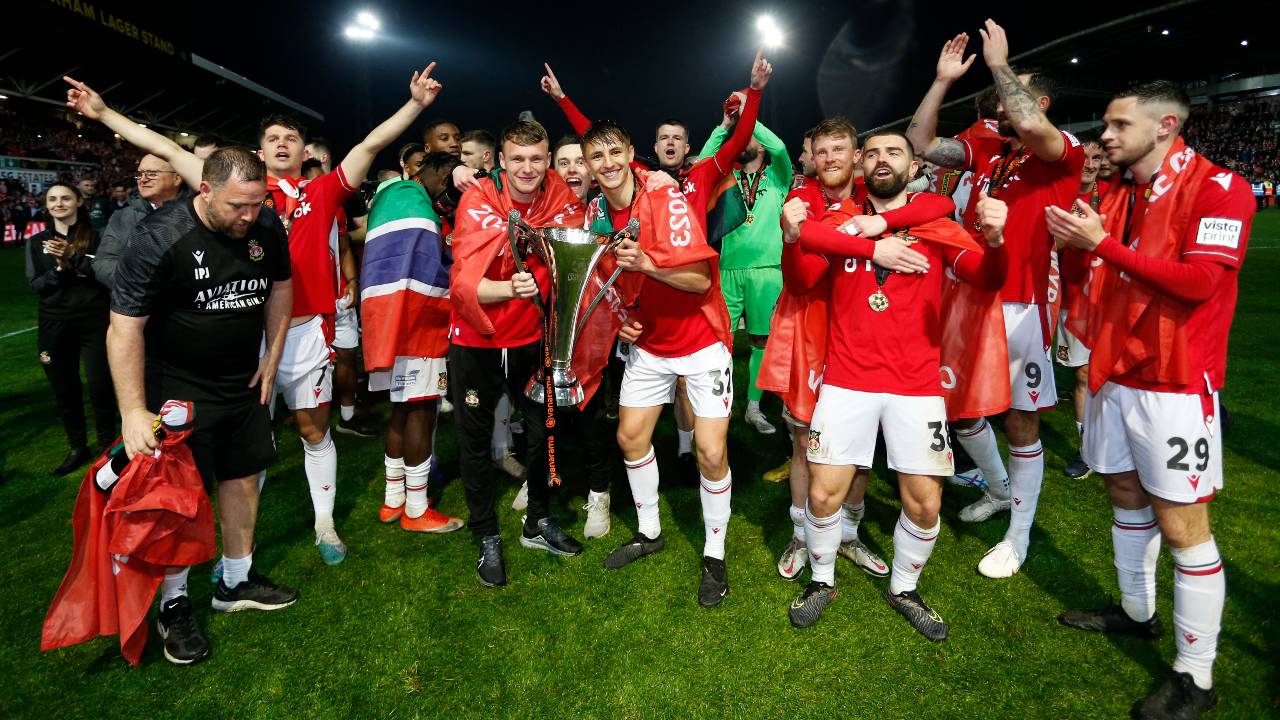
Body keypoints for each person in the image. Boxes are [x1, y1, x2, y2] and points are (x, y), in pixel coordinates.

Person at [1051, 80, 1252, 720]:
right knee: (1124, 495)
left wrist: (1101, 245)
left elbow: (1199, 283)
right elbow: (1098, 276)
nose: (1105, 135)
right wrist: (1075, 250)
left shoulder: (1221, 188)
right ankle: (1137, 612)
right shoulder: (1115, 194)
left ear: (1165, 125)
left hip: (1176, 383)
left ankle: (1196, 677)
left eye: (1117, 124)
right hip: (1115, 373)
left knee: (1184, 527)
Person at [782, 129, 1008, 638]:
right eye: (875, 152)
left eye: (896, 153)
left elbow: (987, 277)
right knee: (823, 496)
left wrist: (996, 244)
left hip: (917, 387)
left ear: (913, 166)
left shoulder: (936, 221)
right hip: (847, 381)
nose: (884, 160)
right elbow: (800, 280)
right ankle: (822, 581)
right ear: (862, 163)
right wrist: (793, 240)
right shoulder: (841, 220)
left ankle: (905, 588)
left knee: (925, 503)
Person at [905, 23, 1085, 578]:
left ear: (1041, 101)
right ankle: (1003, 491)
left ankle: (1020, 535)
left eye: (1012, 96)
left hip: (1021, 305)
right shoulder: (988, 148)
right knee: (959, 411)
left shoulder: (1063, 153)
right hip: (968, 296)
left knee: (1020, 424)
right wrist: (940, 82)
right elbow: (919, 144)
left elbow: (1029, 120)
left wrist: (1000, 63)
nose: (1002, 109)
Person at [543, 50, 771, 484]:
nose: (669, 144)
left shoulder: (699, 177)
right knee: (658, 397)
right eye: (662, 137)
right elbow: (598, 143)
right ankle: (682, 453)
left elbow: (739, 141)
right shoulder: (639, 178)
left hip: (694, 296)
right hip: (648, 309)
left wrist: (755, 93)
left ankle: (687, 452)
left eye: (677, 138)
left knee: (688, 390)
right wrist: (563, 100)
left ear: (687, 145)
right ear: (648, 148)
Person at [109, 147, 297, 666]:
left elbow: (282, 285)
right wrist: (130, 410)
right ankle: (174, 603)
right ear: (205, 191)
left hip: (242, 382)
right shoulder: (160, 237)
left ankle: (235, 582)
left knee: (242, 476)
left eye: (257, 204)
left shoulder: (266, 224)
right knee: (180, 500)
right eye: (238, 206)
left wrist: (273, 354)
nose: (249, 216)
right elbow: (124, 325)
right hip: (178, 388)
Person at [764, 118, 951, 582]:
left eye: (839, 150)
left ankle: (848, 532)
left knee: (859, 452)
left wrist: (882, 223)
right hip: (813, 328)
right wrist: (873, 248)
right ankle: (801, 533)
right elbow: (806, 249)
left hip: (863, 329)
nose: (829, 159)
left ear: (856, 158)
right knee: (805, 440)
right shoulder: (805, 196)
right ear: (810, 156)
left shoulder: (872, 195)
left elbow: (940, 202)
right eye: (820, 151)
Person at [579, 120, 734, 608]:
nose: (606, 165)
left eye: (613, 153)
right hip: (649, 346)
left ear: (629, 152)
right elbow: (601, 282)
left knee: (710, 452)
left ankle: (714, 552)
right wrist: (621, 318)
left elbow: (699, 282)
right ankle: (650, 532)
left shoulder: (664, 197)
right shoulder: (596, 212)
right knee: (630, 437)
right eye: (595, 157)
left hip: (700, 340)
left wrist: (648, 265)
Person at [450, 119, 586, 587]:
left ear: (548, 161)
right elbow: (463, 281)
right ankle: (487, 535)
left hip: (531, 338)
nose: (527, 168)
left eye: (536, 158)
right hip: (476, 340)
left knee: (542, 431)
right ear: (500, 162)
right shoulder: (479, 199)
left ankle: (538, 521)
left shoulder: (562, 202)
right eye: (518, 159)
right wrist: (508, 287)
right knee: (474, 440)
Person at [362, 159, 465, 534]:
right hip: (416, 324)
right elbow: (427, 268)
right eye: (447, 186)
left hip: (390, 323)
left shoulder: (390, 199)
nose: (447, 199)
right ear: (435, 175)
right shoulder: (413, 198)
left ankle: (393, 500)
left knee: (401, 412)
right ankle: (417, 508)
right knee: (422, 411)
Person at [699, 110, 792, 435]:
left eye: (749, 136)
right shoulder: (726, 177)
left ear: (761, 145)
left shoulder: (779, 176)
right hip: (727, 270)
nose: (744, 139)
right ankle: (715, 404)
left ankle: (753, 407)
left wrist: (749, 119)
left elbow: (780, 148)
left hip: (768, 271)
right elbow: (703, 161)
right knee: (715, 341)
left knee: (760, 341)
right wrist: (726, 125)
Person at [27, 182, 116, 476]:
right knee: (64, 389)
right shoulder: (36, 240)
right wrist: (59, 270)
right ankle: (77, 447)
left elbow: (106, 276)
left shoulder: (98, 237)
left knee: (100, 386)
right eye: (52, 199)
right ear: (47, 205)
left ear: (79, 201)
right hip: (54, 324)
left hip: (94, 321)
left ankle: (107, 445)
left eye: (65, 198)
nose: (59, 203)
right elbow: (36, 285)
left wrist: (73, 257)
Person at [1055, 132, 1106, 480]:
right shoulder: (1059, 197)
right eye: (1084, 158)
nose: (1089, 165)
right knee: (1084, 374)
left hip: (1108, 301)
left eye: (1097, 160)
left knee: (1113, 377)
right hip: (1069, 300)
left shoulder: (1115, 198)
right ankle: (1087, 449)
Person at [93, 154, 189, 291]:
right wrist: (141, 283)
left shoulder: (197, 213)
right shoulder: (121, 217)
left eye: (152, 174)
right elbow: (103, 263)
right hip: (135, 305)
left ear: (177, 178)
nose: (143, 179)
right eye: (140, 174)